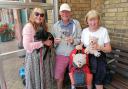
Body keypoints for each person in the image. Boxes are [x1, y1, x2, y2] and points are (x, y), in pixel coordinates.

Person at [22, 7, 55, 89]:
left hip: (44, 60)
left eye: (42, 15)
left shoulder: (43, 27)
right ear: (32, 15)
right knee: (35, 82)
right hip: (34, 60)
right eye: (37, 14)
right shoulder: (28, 27)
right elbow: (26, 46)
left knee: (44, 82)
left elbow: (46, 41)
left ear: (44, 17)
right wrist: (43, 43)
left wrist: (51, 42)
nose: (39, 16)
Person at [52, 3, 82, 89]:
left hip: (74, 54)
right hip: (60, 55)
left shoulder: (76, 24)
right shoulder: (55, 26)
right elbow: (51, 42)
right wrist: (54, 42)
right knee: (59, 77)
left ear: (70, 13)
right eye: (63, 12)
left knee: (75, 76)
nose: (65, 14)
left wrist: (73, 40)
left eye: (67, 12)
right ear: (60, 13)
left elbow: (80, 39)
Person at [81, 10, 112, 89]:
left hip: (99, 58)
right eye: (90, 20)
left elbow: (109, 49)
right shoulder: (84, 31)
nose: (93, 22)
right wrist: (79, 46)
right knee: (88, 81)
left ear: (98, 20)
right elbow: (82, 45)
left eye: (95, 19)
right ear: (87, 21)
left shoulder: (103, 31)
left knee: (98, 81)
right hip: (87, 58)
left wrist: (99, 47)